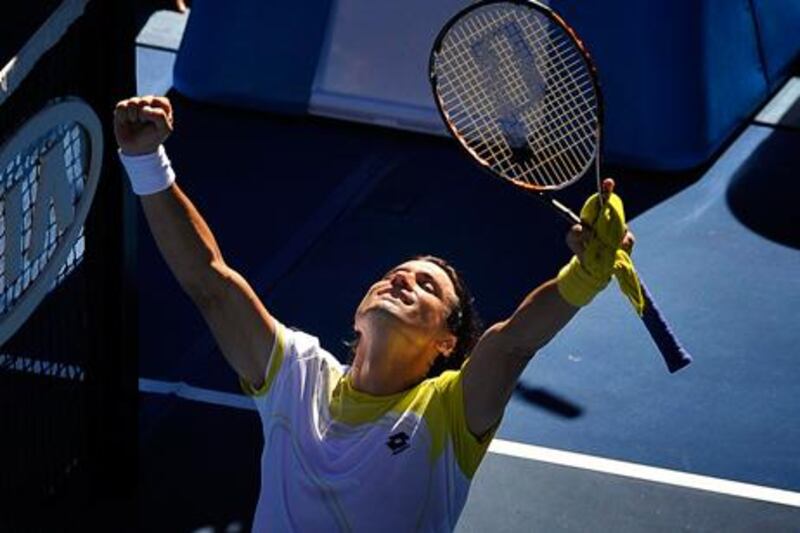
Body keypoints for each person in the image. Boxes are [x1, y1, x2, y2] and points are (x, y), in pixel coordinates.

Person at [115, 96, 638, 532]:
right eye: (395, 274)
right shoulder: (298, 374)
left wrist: (583, 276)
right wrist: (145, 162)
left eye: (426, 285)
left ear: (446, 342)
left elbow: (513, 343)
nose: (402, 279)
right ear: (358, 312)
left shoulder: (448, 413)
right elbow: (211, 283)